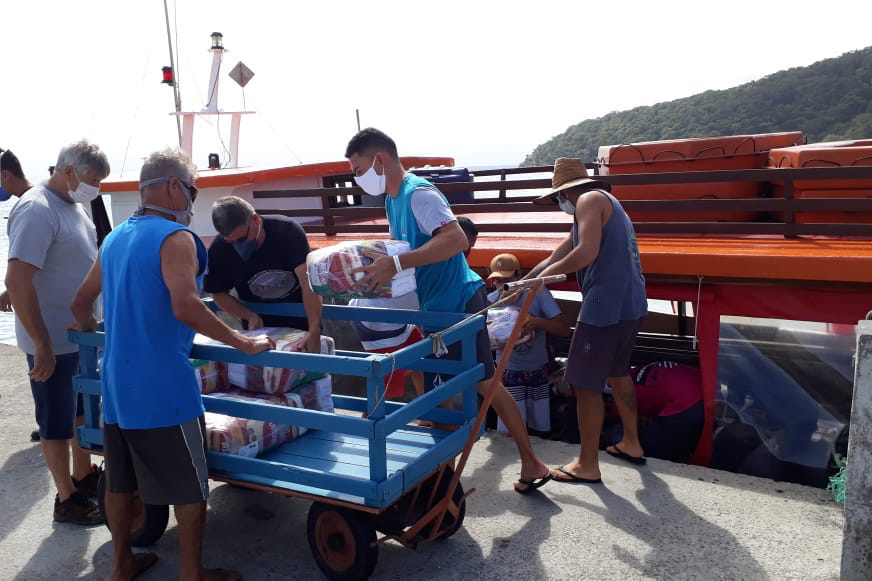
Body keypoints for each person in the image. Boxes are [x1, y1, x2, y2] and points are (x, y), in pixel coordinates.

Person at [71, 148, 273, 581]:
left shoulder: (114, 238)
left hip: (116, 384)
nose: (193, 199)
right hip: (163, 387)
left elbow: (80, 303)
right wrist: (242, 342)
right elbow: (185, 305)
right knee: (190, 486)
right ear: (171, 187)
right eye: (192, 190)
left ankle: (122, 564)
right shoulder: (177, 238)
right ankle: (192, 573)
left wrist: (103, 333)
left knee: (120, 481)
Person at [345, 128, 551, 493]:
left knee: (452, 390)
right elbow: (408, 253)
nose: (357, 179)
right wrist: (382, 272)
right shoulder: (392, 200)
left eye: (358, 170)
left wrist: (397, 264)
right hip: (439, 304)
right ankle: (525, 463)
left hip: (456, 301)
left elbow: (456, 239)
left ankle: (442, 484)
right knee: (479, 382)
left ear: (380, 160)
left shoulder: (418, 194)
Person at [5, 140, 109, 524]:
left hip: (78, 337)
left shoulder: (73, 205)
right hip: (51, 340)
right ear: (68, 172)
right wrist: (42, 345)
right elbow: (17, 278)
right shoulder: (37, 209)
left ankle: (82, 476)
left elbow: (57, 261)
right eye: (92, 180)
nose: (95, 188)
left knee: (81, 412)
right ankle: (66, 498)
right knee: (54, 421)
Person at [533, 157, 648, 484]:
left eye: (557, 198)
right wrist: (526, 280)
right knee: (617, 373)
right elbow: (559, 253)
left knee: (584, 385)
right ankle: (631, 443)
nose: (559, 204)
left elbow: (585, 253)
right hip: (630, 304)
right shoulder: (604, 203)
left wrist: (542, 280)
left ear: (564, 193)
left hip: (603, 306)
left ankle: (587, 464)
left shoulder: (587, 200)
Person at [205, 196, 322, 353]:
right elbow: (218, 294)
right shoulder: (219, 249)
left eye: (242, 239)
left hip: (302, 322)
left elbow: (308, 282)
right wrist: (248, 315)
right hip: (259, 333)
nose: (238, 246)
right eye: (231, 242)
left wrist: (314, 329)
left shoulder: (287, 231)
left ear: (256, 220)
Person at [487, 253, 570, 435]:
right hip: (508, 373)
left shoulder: (538, 293)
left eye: (507, 279)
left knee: (539, 428)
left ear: (518, 275)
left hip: (537, 370)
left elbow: (564, 329)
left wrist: (536, 322)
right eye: (497, 280)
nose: (502, 285)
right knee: (509, 430)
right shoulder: (491, 302)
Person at [349, 292, 426, 400]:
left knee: (421, 354)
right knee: (389, 387)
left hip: (398, 318)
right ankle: (374, 412)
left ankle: (424, 402)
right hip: (380, 322)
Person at [1, 148, 34, 313]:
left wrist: (12, 289)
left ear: (5, 175)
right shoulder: (42, 199)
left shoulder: (27, 208)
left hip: (48, 317)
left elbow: (15, 279)